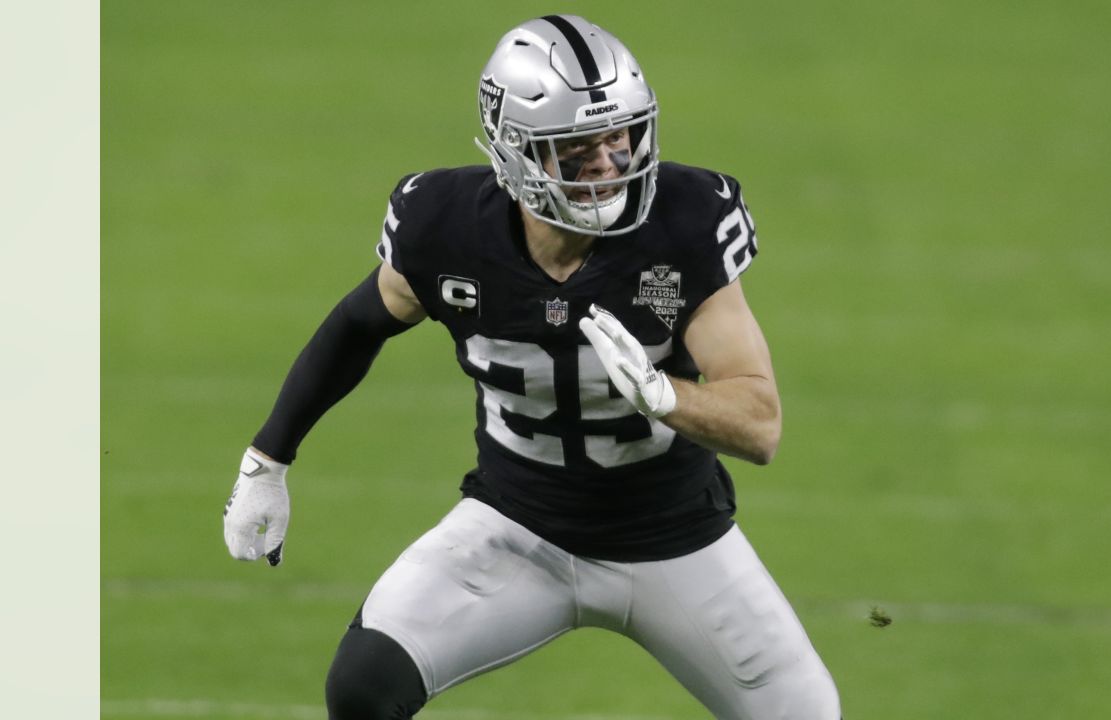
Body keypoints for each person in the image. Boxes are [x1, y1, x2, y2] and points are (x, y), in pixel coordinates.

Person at [222, 14, 841, 720]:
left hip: (677, 541)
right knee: (362, 687)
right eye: (578, 147)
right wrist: (267, 459)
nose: (610, 162)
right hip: (517, 528)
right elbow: (359, 323)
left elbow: (759, 424)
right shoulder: (444, 226)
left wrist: (663, 395)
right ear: (515, 151)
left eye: (622, 136)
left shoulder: (684, 221)